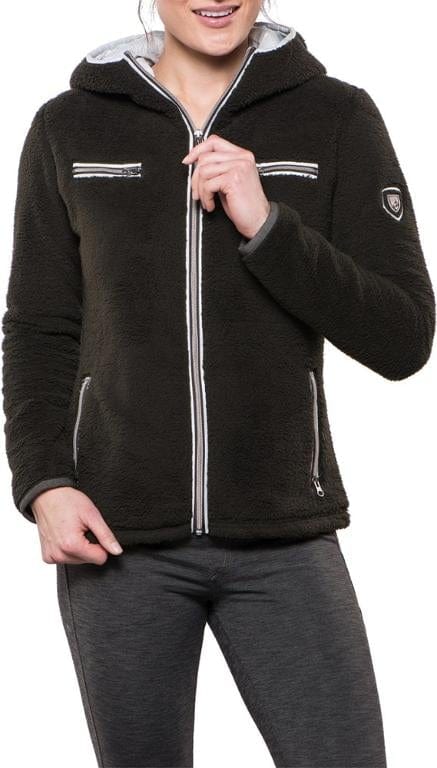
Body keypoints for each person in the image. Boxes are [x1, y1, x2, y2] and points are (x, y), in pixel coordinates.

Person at [2, 0, 435, 766]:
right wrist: (44, 484)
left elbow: (402, 337)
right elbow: (38, 328)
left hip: (284, 536)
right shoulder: (68, 127)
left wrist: (269, 227)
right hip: (117, 542)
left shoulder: (336, 117)